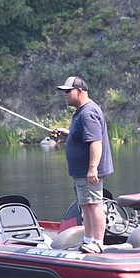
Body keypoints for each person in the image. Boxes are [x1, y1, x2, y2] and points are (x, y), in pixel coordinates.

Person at [51, 75, 113, 253]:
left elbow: (95, 142)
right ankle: (89, 240)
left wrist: (93, 168)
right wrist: (67, 133)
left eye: (68, 92)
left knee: (94, 205)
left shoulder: (87, 113)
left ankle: (98, 243)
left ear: (80, 91)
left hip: (89, 171)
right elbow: (83, 136)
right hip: (82, 171)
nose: (65, 95)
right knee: (85, 205)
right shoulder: (82, 112)